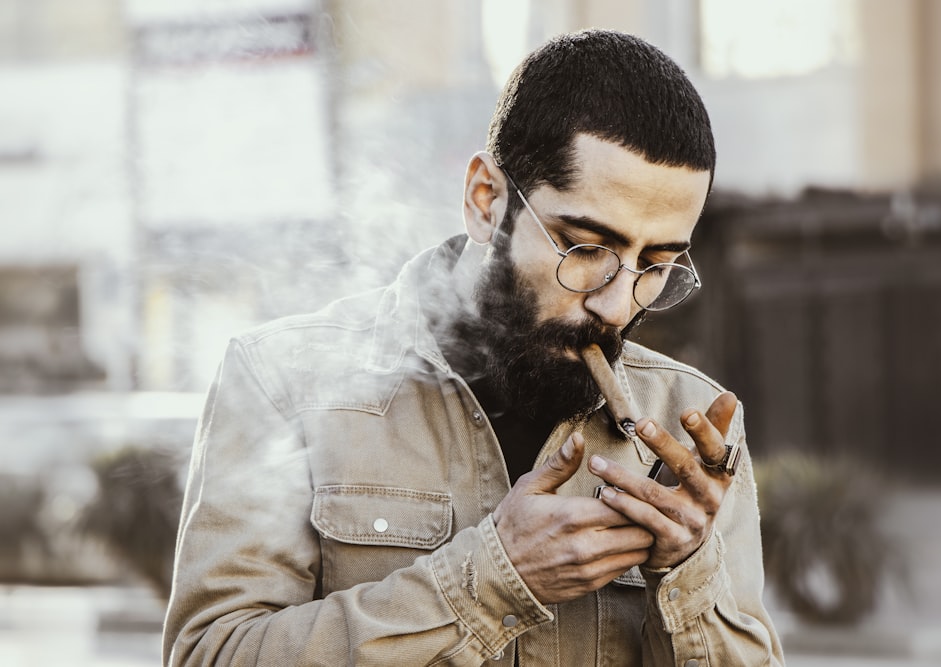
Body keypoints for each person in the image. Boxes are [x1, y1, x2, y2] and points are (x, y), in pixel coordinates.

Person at [163, 29, 783, 666]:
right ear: (486, 201)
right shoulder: (280, 382)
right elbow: (213, 655)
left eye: (654, 264)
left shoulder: (691, 425)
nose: (617, 305)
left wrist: (688, 572)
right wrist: (493, 579)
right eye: (586, 247)